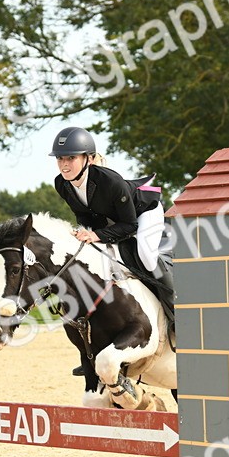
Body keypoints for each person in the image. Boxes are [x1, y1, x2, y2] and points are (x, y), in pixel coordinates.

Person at [49, 126, 173, 374]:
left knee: (147, 257)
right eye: (61, 158)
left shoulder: (110, 181)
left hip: (145, 214)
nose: (64, 164)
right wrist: (84, 234)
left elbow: (130, 226)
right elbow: (85, 216)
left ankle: (177, 314)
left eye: (71, 157)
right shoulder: (62, 184)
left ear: (89, 159)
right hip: (115, 222)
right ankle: (93, 351)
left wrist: (95, 234)